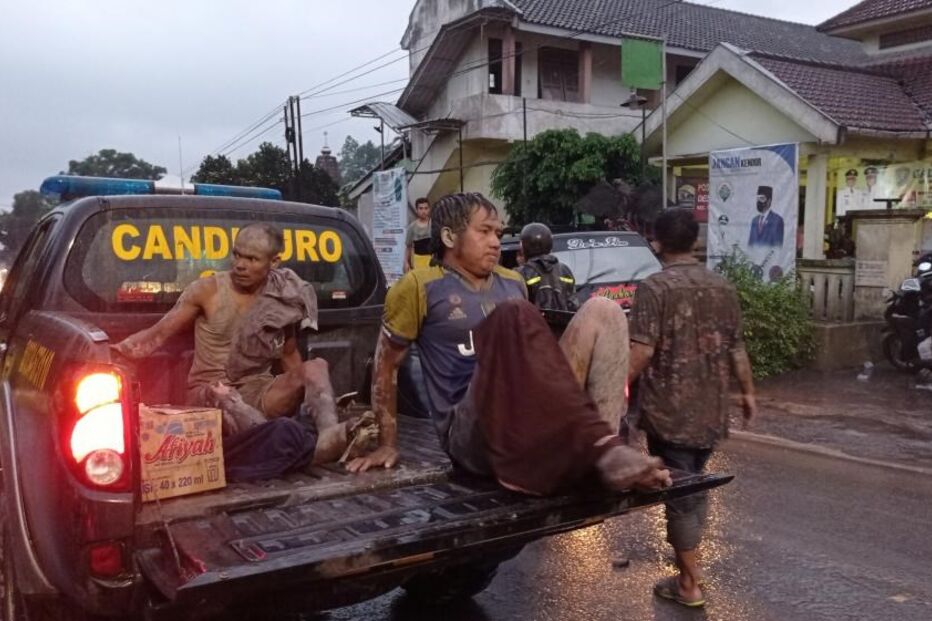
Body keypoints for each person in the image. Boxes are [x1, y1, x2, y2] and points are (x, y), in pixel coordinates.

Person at [346, 192, 671, 497]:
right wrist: (387, 443)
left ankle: (601, 453)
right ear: (449, 237)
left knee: (605, 311)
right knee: (513, 315)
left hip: (525, 416)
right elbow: (385, 364)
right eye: (484, 231)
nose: (495, 242)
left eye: (498, 234)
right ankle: (597, 451)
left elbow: (533, 362)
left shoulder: (514, 281)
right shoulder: (417, 286)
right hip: (471, 431)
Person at [112, 223, 359, 482]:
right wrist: (114, 354)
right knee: (223, 393)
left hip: (258, 389)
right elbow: (156, 336)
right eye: (237, 255)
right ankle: (300, 448)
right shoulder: (207, 290)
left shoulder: (282, 297)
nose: (240, 265)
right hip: (211, 393)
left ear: (274, 261)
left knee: (316, 366)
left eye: (252, 259)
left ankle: (331, 438)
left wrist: (306, 396)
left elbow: (289, 356)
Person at [628, 208, 757, 608]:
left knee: (681, 493)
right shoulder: (723, 287)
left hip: (670, 413)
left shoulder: (654, 288)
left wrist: (613, 389)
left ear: (657, 243)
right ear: (695, 241)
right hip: (711, 411)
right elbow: (737, 348)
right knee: (695, 483)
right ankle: (688, 567)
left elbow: (641, 351)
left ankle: (688, 584)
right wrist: (748, 393)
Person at [516, 222, 579, 312]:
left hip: (534, 320)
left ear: (522, 247)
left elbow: (517, 309)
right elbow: (573, 303)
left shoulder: (520, 274)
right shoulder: (564, 270)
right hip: (565, 320)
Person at [404, 197, 432, 273]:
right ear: (416, 210)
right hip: (418, 261)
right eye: (421, 208)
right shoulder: (412, 227)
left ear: (429, 209)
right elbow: (408, 247)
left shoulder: (434, 225)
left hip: (432, 261)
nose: (423, 211)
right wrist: (406, 262)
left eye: (426, 208)